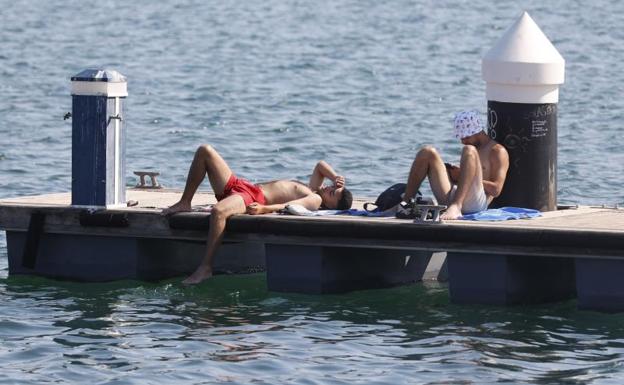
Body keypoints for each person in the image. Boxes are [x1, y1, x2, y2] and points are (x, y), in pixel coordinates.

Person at [163, 144, 353, 284]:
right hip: (245, 187)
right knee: (204, 151)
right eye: (332, 188)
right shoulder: (314, 189)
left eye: (333, 193)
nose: (329, 188)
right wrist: (336, 177)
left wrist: (264, 209)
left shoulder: (316, 200)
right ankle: (185, 202)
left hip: (252, 197)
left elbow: (288, 205)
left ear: (331, 206)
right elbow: (321, 165)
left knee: (218, 212)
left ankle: (205, 268)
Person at [400, 110, 509, 220]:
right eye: (461, 138)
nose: (462, 141)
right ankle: (405, 204)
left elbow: (496, 190)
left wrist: (462, 176)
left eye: (465, 137)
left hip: (476, 203)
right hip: (454, 194)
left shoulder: (497, 151)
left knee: (469, 150)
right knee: (427, 152)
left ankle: (456, 206)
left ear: (476, 132)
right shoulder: (471, 144)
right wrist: (453, 175)